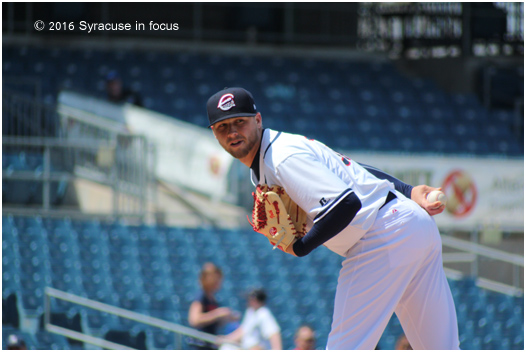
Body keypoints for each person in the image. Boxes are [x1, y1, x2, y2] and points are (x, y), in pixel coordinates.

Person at [206, 87, 460, 350]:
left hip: (381, 236)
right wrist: (407, 190)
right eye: (223, 126)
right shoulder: (274, 152)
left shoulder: (281, 158)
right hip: (411, 225)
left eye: (240, 122)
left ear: (257, 120)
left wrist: (299, 247)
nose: (232, 131)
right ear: (214, 133)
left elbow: (346, 205)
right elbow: (352, 167)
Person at [188, 262, 239, 350]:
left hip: (210, 343)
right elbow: (194, 320)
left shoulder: (213, 298)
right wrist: (218, 314)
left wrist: (226, 318)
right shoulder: (201, 296)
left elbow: (212, 322)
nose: (218, 282)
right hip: (200, 344)